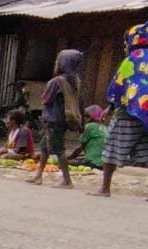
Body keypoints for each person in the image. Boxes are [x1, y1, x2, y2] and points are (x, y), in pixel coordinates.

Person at [93, 22, 148, 197]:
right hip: (145, 115)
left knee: (112, 149)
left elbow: (120, 84)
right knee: (146, 154)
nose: (125, 46)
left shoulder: (133, 58)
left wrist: (110, 106)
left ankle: (105, 188)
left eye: (126, 42)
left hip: (127, 114)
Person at [30, 49, 83, 187]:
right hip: (64, 118)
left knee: (59, 149)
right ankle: (38, 175)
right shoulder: (75, 81)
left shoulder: (56, 82)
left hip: (53, 119)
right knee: (44, 148)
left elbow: (46, 100)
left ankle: (67, 180)